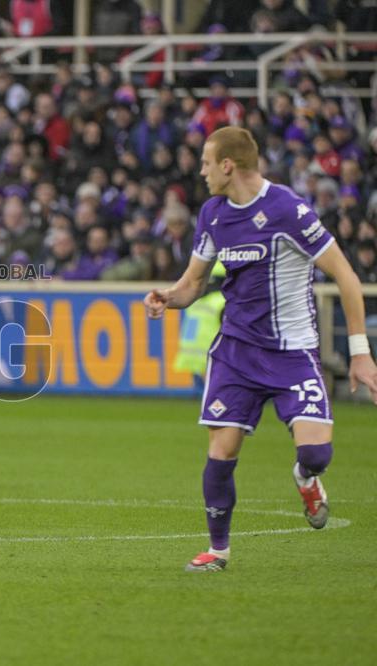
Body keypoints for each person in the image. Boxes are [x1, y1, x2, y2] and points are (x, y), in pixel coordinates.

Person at [143, 127, 377, 573]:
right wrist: (167, 298)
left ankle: (307, 479)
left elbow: (347, 277)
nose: (202, 170)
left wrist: (360, 353)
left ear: (228, 165)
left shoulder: (288, 209)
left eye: (207, 162)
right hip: (235, 352)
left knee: (316, 455)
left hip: (292, 354)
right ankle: (218, 550)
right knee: (221, 452)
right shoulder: (213, 213)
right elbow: (193, 282)